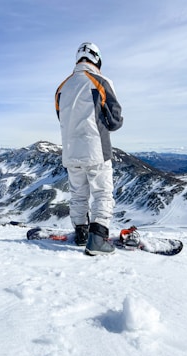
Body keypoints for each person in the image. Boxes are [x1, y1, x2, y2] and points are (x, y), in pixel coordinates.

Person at [55, 42, 123, 255]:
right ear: (97, 59)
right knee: (102, 193)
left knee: (78, 194)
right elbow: (115, 119)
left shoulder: (62, 87)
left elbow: (61, 117)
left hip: (70, 150)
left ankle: (81, 233)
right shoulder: (101, 81)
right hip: (95, 149)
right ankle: (98, 238)